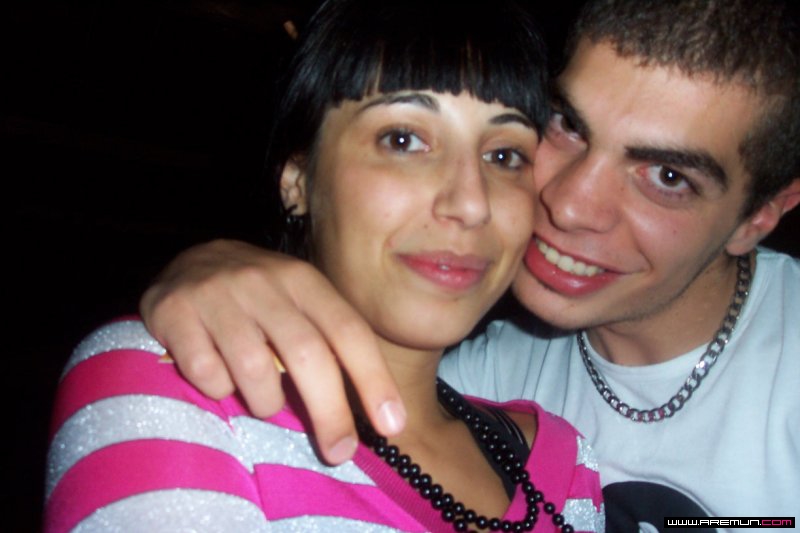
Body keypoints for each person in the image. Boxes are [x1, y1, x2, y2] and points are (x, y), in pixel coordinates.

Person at [137, 0, 800, 530]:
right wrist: (207, 271)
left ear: (759, 216)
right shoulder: (484, 375)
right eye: (567, 124)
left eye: (667, 176)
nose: (568, 204)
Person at [45, 1, 605, 532]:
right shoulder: (175, 379)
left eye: (504, 155)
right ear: (298, 181)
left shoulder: (566, 462)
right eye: (403, 139)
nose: (471, 203)